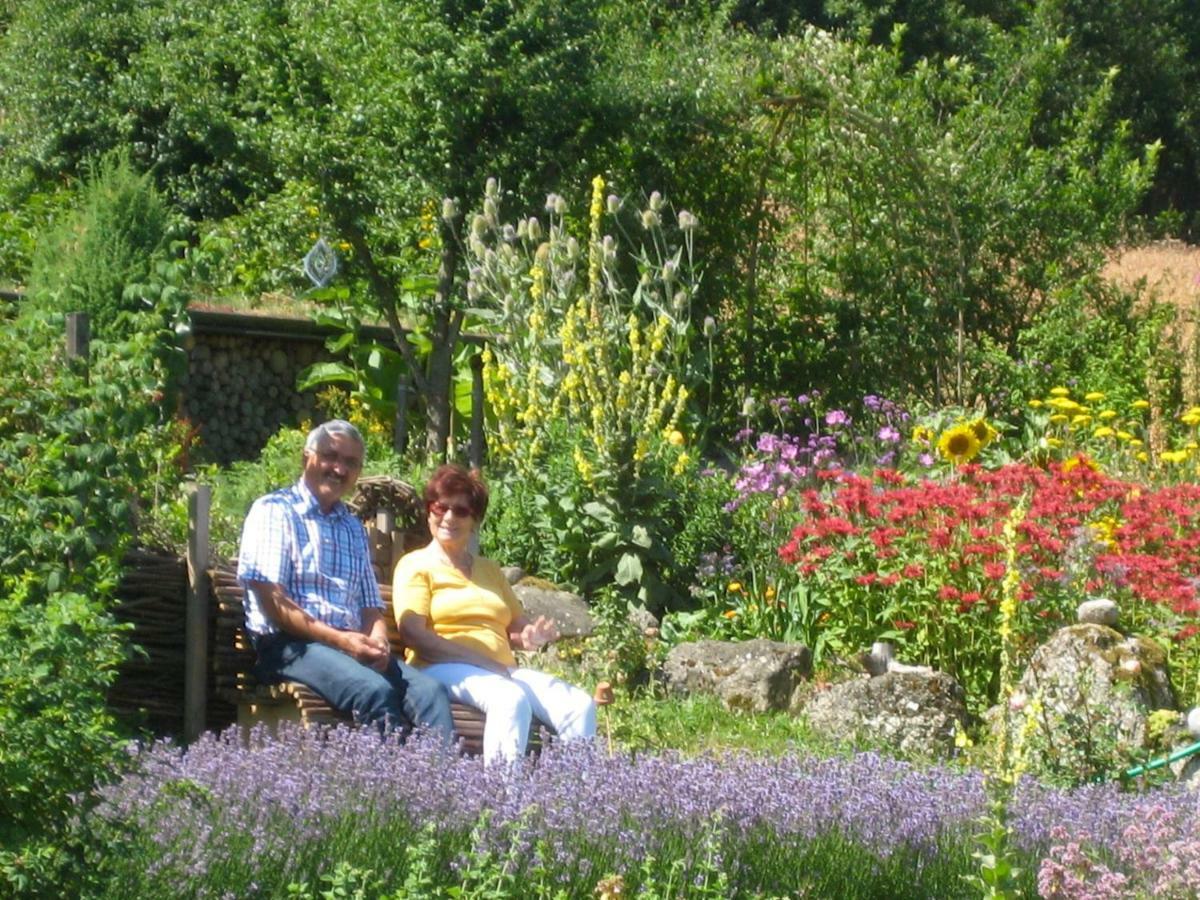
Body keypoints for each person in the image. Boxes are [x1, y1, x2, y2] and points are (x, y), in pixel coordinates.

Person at [237, 419, 454, 739]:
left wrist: (378, 640)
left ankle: (439, 785)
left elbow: (369, 606)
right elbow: (275, 604)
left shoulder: (351, 527)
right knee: (374, 691)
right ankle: (389, 787)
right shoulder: (274, 511)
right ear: (306, 458)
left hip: (346, 648)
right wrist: (343, 641)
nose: (339, 469)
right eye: (330, 456)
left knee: (431, 693)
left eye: (350, 463)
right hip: (288, 647)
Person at [393, 463, 596, 763]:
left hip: (498, 670)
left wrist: (530, 635)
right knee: (509, 698)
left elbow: (515, 626)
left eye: (461, 511)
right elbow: (414, 634)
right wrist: (481, 662)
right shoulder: (416, 565)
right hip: (438, 666)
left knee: (580, 705)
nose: (449, 517)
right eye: (440, 507)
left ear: (474, 520)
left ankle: (573, 801)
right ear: (429, 511)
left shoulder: (489, 570)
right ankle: (503, 801)